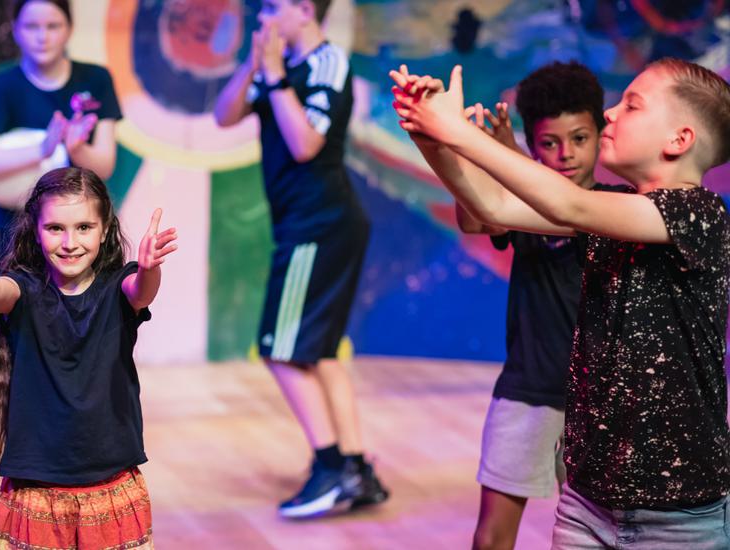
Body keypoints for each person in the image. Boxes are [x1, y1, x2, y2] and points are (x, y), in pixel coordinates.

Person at [392, 58, 730, 548]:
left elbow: (569, 203)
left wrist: (462, 135)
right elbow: (492, 207)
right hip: (588, 501)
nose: (610, 114)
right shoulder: (614, 212)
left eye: (631, 105)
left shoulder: (698, 215)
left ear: (678, 141)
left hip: (678, 513)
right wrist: (432, 135)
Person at [212, 0, 388, 518]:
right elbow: (224, 116)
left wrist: (272, 75)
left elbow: (306, 144)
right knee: (321, 351)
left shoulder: (327, 63)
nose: (263, 17)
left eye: (272, 7)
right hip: (306, 225)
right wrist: (254, 66)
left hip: (320, 226)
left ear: (304, 9)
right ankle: (356, 468)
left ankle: (330, 467)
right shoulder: (278, 69)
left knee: (280, 348)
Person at [0, 167, 177, 549]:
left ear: (105, 228)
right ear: (35, 229)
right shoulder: (24, 288)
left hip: (109, 481)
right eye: (55, 228)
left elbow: (141, 292)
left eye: (83, 227)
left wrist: (150, 267)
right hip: (37, 486)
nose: (69, 242)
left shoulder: (119, 286)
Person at [455, 62, 612, 550]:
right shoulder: (519, 209)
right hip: (526, 393)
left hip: (601, 400)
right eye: (549, 144)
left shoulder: (618, 207)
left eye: (579, 139)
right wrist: (483, 155)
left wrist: (509, 155)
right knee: (493, 538)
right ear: (532, 144)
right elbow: (476, 217)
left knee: (602, 536)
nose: (565, 154)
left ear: (601, 134)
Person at [0, 0, 121, 251]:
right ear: (15, 29)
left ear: (69, 28)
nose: (42, 37)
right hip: (18, 234)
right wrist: (42, 150)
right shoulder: (3, 85)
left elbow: (105, 167)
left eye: (53, 26)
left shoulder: (96, 78)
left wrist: (76, 149)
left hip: (81, 234)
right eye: (31, 26)